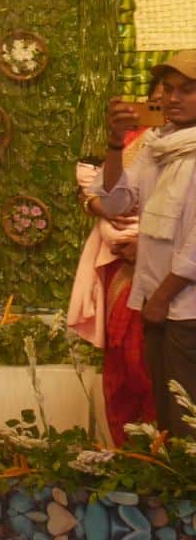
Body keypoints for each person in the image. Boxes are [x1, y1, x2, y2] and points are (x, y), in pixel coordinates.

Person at [86, 49, 196, 439]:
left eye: (187, 90)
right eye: (168, 90)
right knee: (166, 419)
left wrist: (163, 298)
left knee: (188, 421)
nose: (173, 98)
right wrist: (116, 145)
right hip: (156, 304)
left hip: (184, 308)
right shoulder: (156, 145)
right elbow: (116, 201)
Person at [69, 157, 155, 440]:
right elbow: (94, 189)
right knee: (123, 361)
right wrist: (95, 204)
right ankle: (131, 458)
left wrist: (149, 246)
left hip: (171, 270)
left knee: (150, 366)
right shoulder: (131, 142)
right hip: (121, 263)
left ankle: (165, 463)